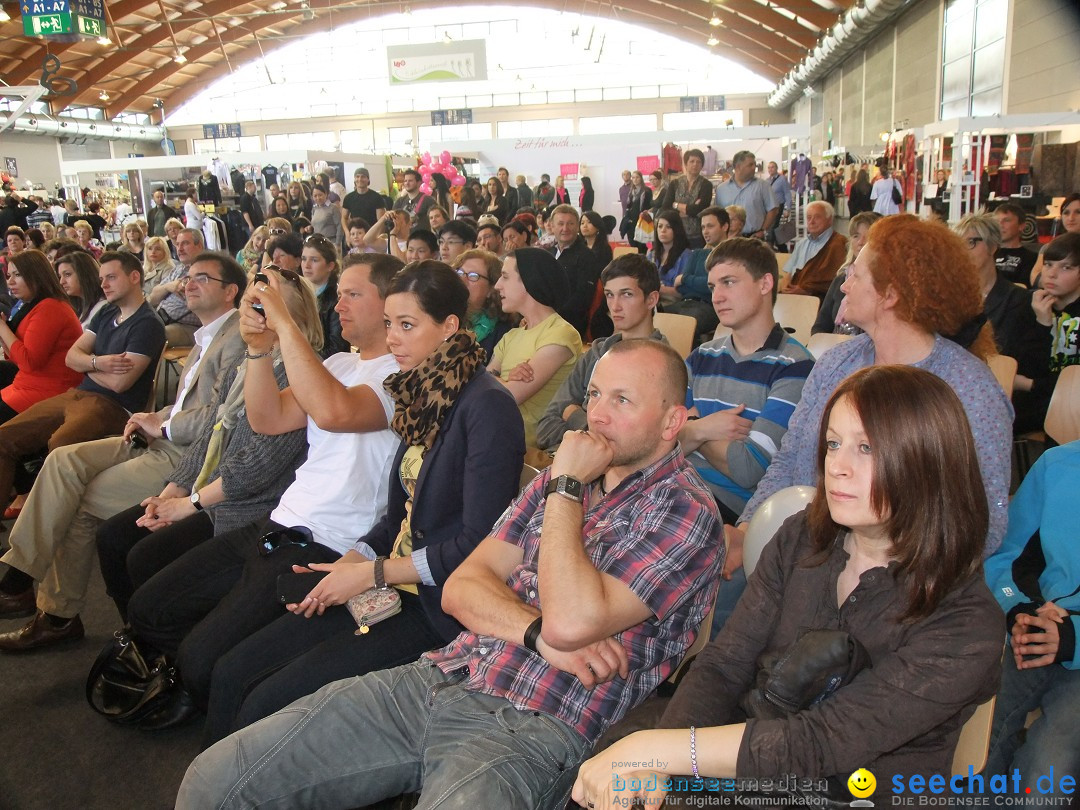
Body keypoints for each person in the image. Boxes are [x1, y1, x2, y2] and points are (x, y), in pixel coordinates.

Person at [177, 338, 724, 810]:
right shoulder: (560, 477)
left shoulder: (685, 511)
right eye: (595, 394)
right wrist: (534, 633)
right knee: (213, 780)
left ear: (672, 421)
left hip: (536, 725)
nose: (596, 415)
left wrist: (565, 489)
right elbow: (462, 587)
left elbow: (574, 621)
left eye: (621, 400)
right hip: (443, 674)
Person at [574, 365, 1004, 809]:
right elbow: (726, 664)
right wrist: (661, 768)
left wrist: (657, 752)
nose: (836, 466)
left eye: (866, 449)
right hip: (747, 773)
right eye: (834, 443)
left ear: (928, 461)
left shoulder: (965, 623)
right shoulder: (804, 535)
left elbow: (818, 742)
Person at [190, 258, 525, 745]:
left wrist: (370, 574)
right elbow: (397, 515)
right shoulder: (424, 394)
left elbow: (477, 544)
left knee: (262, 697)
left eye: (407, 325)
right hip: (387, 584)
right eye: (390, 324)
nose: (392, 338)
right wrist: (354, 559)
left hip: (434, 608)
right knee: (233, 670)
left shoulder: (486, 406)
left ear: (450, 327)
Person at [729, 216, 1013, 580]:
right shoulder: (836, 362)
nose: (844, 284)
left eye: (856, 274)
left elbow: (985, 519)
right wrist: (747, 526)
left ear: (890, 294)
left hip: (906, 577)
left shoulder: (968, 388)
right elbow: (788, 461)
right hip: (808, 554)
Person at [0, 253, 247, 648]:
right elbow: (184, 403)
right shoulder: (206, 336)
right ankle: (21, 572)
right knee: (62, 460)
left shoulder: (234, 340)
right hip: (156, 434)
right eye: (189, 276)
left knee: (74, 500)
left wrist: (161, 423)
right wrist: (155, 416)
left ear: (231, 291)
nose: (189, 283)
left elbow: (221, 421)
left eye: (203, 278)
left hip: (185, 456)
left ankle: (53, 610)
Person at [92, 265, 319, 620]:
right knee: (114, 537)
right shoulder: (245, 363)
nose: (253, 311)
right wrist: (172, 493)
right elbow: (210, 433)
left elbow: (257, 465)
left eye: (264, 305)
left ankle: (155, 645)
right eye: (252, 301)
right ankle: (142, 643)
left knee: (142, 558)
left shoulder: (300, 371)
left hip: (248, 508)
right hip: (214, 494)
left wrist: (191, 505)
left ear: (293, 317)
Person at [0, 251, 166, 528]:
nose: (104, 284)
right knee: (4, 438)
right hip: (77, 394)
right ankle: (25, 518)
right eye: (102, 279)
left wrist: (84, 365)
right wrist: (98, 362)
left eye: (111, 277)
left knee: (59, 445)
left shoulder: (148, 324)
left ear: (135, 277)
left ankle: (42, 524)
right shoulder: (106, 313)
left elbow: (119, 383)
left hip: (113, 406)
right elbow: (70, 358)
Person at [682, 238, 815, 526]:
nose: (716, 297)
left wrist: (692, 431)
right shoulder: (700, 356)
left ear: (765, 284)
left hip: (728, 510)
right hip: (675, 486)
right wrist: (705, 427)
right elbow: (659, 439)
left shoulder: (796, 367)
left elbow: (747, 468)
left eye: (728, 282)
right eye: (712, 286)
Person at [984, 441, 1080, 798]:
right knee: (977, 739)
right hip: (1035, 627)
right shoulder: (1056, 465)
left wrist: (1071, 637)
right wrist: (1019, 611)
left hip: (1072, 643)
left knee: (1049, 771)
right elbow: (1005, 557)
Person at [536, 254, 665, 451]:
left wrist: (574, 416)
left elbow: (630, 445)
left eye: (626, 294)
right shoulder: (595, 353)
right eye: (609, 295)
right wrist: (592, 436)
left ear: (651, 299)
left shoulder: (664, 365)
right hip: (565, 458)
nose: (615, 306)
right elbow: (545, 426)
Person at [956, 213, 1045, 430]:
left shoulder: (1018, 299)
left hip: (1001, 391)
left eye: (971, 242)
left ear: (992, 246)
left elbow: (1007, 352)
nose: (962, 251)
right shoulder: (951, 299)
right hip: (959, 388)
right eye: (958, 244)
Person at [489, 247, 582, 447]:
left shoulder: (560, 333)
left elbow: (508, 396)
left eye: (505, 277)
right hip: (497, 435)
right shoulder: (512, 335)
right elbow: (480, 385)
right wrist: (504, 380)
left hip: (528, 449)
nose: (497, 285)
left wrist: (494, 380)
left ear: (530, 280)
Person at [0, 250, 84, 423]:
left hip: (47, 391)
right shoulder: (33, 305)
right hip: (28, 384)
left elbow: (29, 361)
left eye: (17, 275)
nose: (10, 282)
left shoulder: (50, 308)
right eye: (8, 275)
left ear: (36, 275)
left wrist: (2, 328)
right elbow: (15, 358)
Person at [1014, 232, 1080, 434]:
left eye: (1066, 267)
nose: (1051, 274)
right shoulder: (1029, 304)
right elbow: (1020, 365)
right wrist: (1042, 324)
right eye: (1048, 264)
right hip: (1034, 404)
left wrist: (1029, 384)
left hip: (1072, 403)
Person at [811, 211, 880, 335]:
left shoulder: (882, 284)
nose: (861, 242)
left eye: (868, 236)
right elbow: (820, 326)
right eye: (856, 236)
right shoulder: (841, 279)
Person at [666, 206, 731, 337]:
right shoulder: (698, 253)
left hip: (709, 308)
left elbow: (714, 287)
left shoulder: (730, 255)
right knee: (652, 318)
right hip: (684, 303)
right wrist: (696, 282)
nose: (705, 232)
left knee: (683, 327)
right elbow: (680, 288)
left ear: (724, 227)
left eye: (710, 226)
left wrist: (686, 279)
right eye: (703, 227)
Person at [548, 204, 602, 340]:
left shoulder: (587, 257)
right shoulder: (549, 253)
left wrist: (550, 316)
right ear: (552, 226)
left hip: (569, 324)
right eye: (560, 223)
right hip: (544, 318)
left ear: (577, 226)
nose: (565, 229)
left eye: (570, 224)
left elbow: (582, 298)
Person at [451, 249, 512, 359]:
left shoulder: (502, 333)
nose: (462, 280)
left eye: (473, 276)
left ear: (491, 289)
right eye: (459, 273)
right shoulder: (438, 318)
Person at [781, 201, 849, 300]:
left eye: (817, 217)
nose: (811, 221)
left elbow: (836, 280)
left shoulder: (839, 244)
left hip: (821, 300)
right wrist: (785, 286)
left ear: (829, 220)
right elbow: (789, 272)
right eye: (809, 217)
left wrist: (807, 290)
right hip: (792, 296)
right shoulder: (801, 244)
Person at [148, 227, 203, 347]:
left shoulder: (205, 271)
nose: (180, 249)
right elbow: (153, 298)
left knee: (148, 335)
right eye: (177, 244)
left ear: (199, 246)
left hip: (188, 327)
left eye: (185, 243)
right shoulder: (179, 268)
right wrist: (169, 287)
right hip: (160, 319)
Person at [300, 233, 349, 358]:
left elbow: (337, 348)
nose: (306, 265)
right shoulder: (298, 293)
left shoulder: (337, 300)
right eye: (304, 259)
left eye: (314, 260)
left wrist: (302, 358)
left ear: (330, 266)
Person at [713, 151, 779, 242]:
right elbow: (718, 214)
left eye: (755, 164)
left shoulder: (763, 186)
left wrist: (763, 230)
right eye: (750, 165)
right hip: (729, 240)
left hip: (755, 238)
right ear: (738, 167)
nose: (754, 167)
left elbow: (773, 209)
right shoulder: (721, 189)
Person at [660, 148, 714, 248]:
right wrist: (690, 209)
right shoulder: (675, 183)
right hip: (677, 233)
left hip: (698, 235)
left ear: (702, 165)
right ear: (686, 164)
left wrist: (675, 204)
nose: (695, 164)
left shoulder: (706, 185)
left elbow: (700, 210)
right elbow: (666, 207)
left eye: (698, 162)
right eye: (692, 161)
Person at [1029, 193, 1080, 288]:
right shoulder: (1050, 246)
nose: (1071, 218)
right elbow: (1034, 277)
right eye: (1066, 213)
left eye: (1078, 212)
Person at [648, 209, 692, 306]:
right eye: (660, 226)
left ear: (676, 230)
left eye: (668, 227)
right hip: (653, 302)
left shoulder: (686, 255)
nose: (663, 230)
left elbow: (683, 292)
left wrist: (658, 289)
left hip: (675, 305)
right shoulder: (651, 254)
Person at [56, 250, 106, 326]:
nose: (61, 282)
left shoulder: (102, 307)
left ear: (84, 274)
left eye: (67, 274)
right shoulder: (81, 307)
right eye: (60, 276)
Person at [993, 202, 1038, 287]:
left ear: (1021, 226)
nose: (1000, 225)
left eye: (1006, 220)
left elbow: (1024, 287)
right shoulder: (987, 252)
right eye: (996, 221)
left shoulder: (1031, 257)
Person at [620, 170, 653, 253]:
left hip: (642, 220)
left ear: (641, 178)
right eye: (633, 177)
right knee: (632, 243)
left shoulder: (647, 191)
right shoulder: (631, 191)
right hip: (631, 221)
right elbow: (628, 206)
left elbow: (650, 206)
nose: (635, 179)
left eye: (637, 177)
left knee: (641, 245)